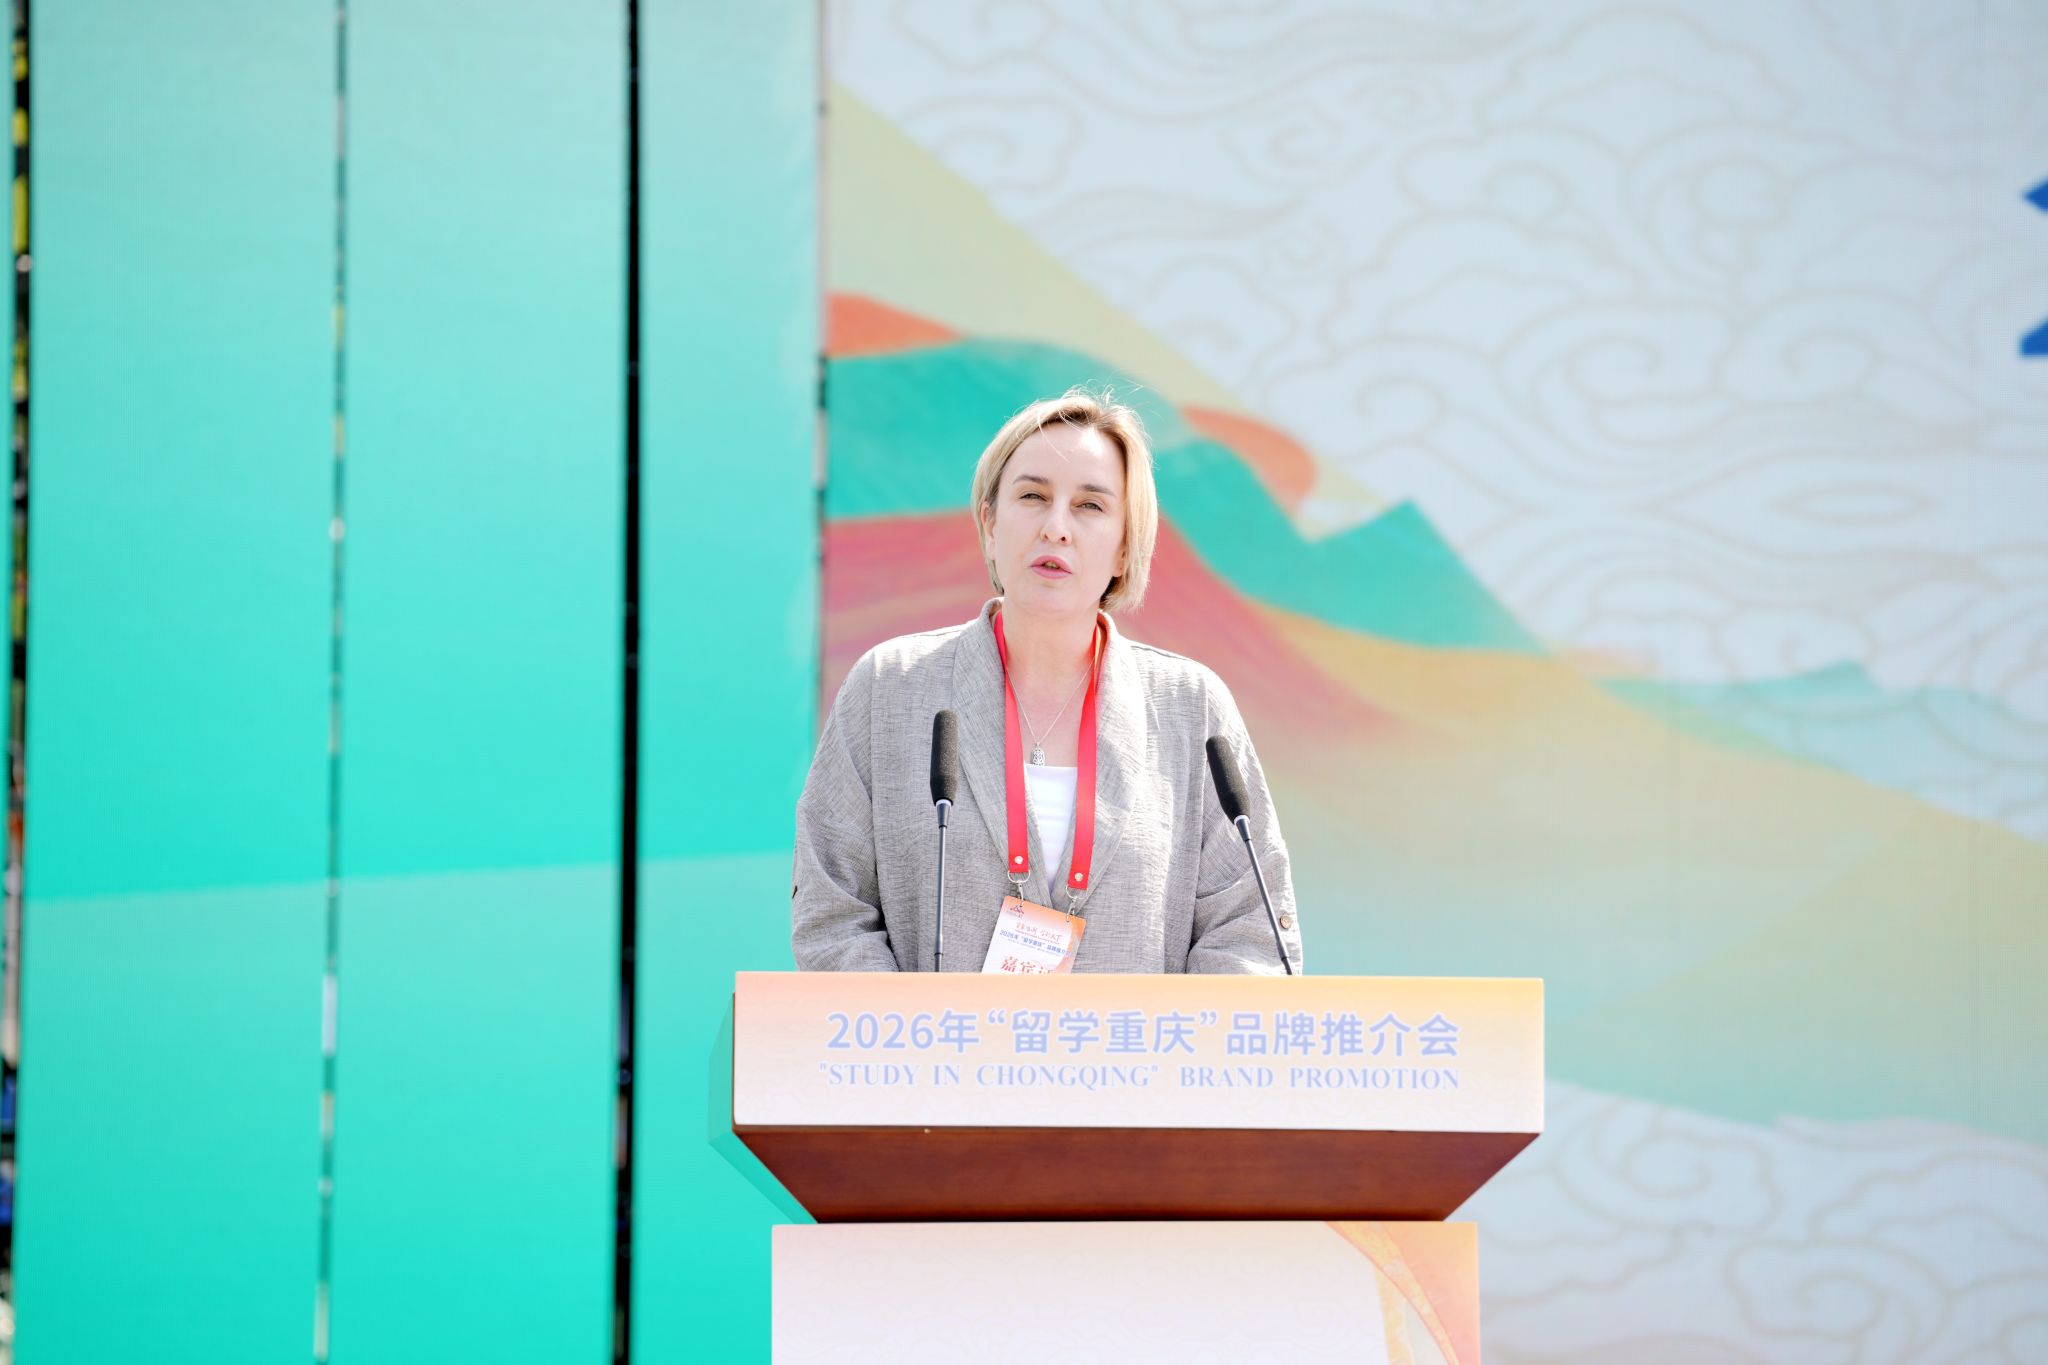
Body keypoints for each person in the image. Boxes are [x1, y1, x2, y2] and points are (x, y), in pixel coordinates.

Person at [791, 389, 1301, 973]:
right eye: (1032, 496)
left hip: (1129, 1038)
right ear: (990, 525)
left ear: (1125, 548)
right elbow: (833, 916)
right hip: (934, 1037)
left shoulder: (1192, 708)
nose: (1056, 528)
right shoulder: (890, 689)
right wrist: (915, 1031)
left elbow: (1248, 933)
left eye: (1090, 506)